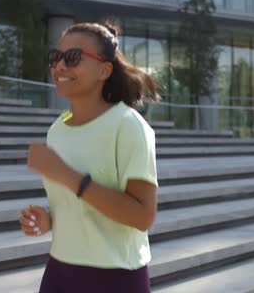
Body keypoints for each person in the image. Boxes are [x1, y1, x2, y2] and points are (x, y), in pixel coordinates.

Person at [18, 21, 160, 293]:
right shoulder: (57, 131)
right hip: (59, 273)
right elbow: (81, 207)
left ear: (104, 70)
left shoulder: (128, 127)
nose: (60, 66)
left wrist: (67, 176)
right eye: (55, 57)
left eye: (73, 58)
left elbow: (143, 216)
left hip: (116, 278)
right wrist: (49, 219)